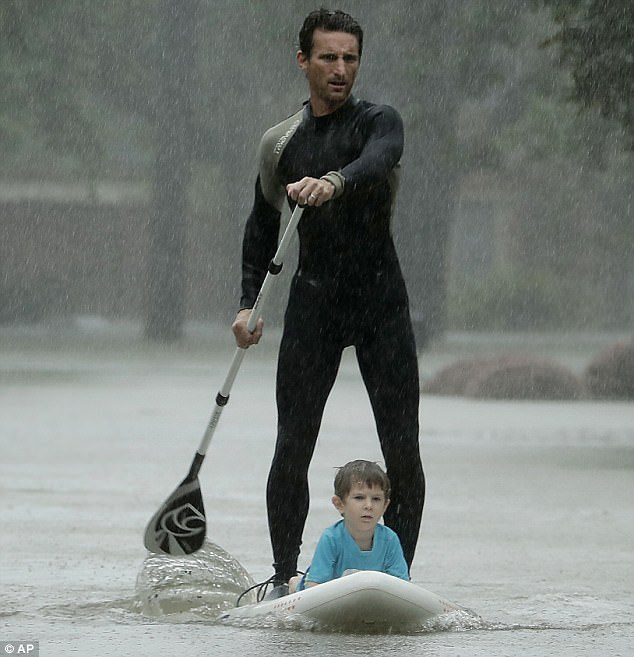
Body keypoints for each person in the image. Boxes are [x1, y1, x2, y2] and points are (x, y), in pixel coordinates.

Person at [232, 8, 425, 598]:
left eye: (350, 58)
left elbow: (379, 159)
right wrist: (248, 305)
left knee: (402, 448)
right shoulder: (281, 143)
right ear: (303, 61)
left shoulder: (377, 123)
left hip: (380, 304)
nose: (341, 69)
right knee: (292, 442)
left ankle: (396, 577)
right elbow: (262, 229)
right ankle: (286, 576)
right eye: (328, 57)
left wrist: (334, 181)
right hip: (314, 307)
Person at [288, 460, 409, 593]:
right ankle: (295, 583)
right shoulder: (332, 538)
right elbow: (313, 587)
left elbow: (402, 586)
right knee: (300, 586)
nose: (368, 505)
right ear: (339, 504)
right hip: (329, 590)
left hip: (369, 596)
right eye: (359, 498)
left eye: (376, 499)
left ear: (385, 506)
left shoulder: (390, 540)